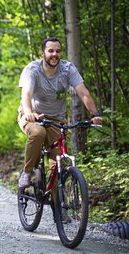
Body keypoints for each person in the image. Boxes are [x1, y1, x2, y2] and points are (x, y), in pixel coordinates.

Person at [17, 37, 103, 189]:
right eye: (50, 51)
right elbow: (26, 95)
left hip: (56, 119)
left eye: (58, 51)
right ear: (42, 53)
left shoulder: (67, 69)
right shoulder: (32, 69)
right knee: (38, 132)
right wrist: (29, 112)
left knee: (57, 167)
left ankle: (59, 210)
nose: (54, 54)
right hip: (32, 115)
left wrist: (95, 114)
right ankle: (27, 171)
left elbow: (83, 93)